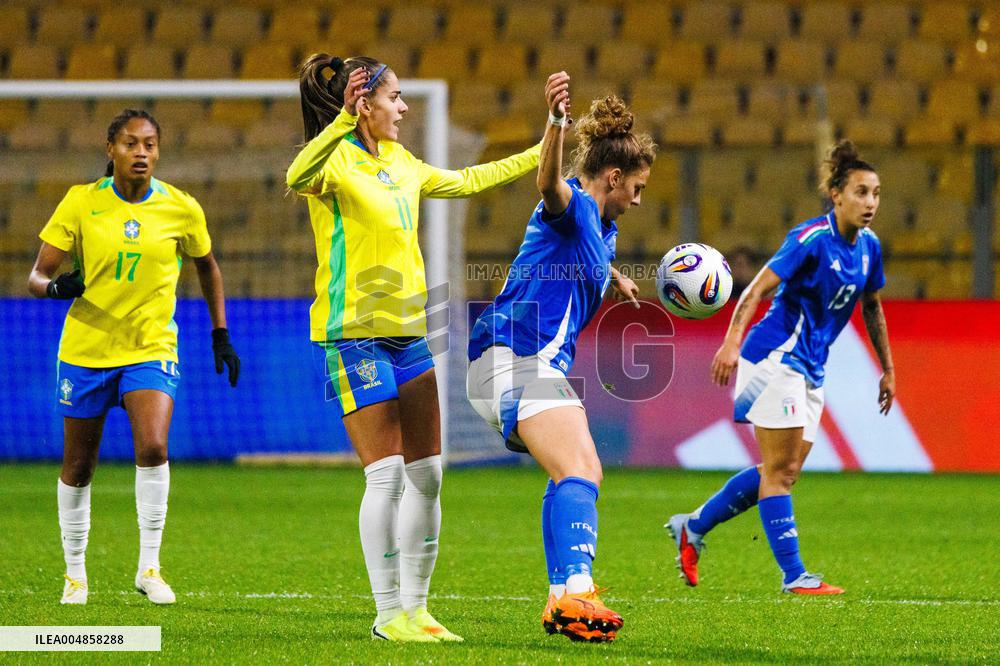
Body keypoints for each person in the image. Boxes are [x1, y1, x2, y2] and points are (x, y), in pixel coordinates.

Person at [286, 55, 543, 642]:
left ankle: (419, 611)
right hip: (352, 333)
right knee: (386, 478)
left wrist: (545, 149)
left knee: (427, 474)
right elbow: (294, 177)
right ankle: (386, 616)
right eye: (395, 97)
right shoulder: (333, 161)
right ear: (365, 103)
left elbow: (470, 181)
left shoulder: (403, 162)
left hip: (409, 334)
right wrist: (340, 125)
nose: (404, 108)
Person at [467, 72, 653, 642]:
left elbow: (582, 254)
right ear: (613, 177)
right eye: (636, 188)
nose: (639, 200)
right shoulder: (571, 203)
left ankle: (559, 597)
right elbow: (549, 184)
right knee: (582, 469)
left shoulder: (603, 230)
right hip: (514, 358)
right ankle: (578, 589)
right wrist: (554, 123)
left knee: (567, 473)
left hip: (523, 365)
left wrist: (614, 276)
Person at [28, 109, 240, 606]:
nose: (141, 152)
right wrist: (58, 287)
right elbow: (35, 278)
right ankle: (75, 575)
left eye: (149, 144)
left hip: (150, 348)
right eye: (130, 144)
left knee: (152, 447)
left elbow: (207, 266)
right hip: (86, 351)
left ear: (158, 151)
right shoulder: (81, 202)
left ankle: (149, 567)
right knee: (79, 465)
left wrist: (220, 333)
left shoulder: (181, 207)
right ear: (111, 150)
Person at [665, 140, 896, 594]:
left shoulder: (869, 248)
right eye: (861, 192)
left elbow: (873, 307)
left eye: (876, 193)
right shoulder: (808, 240)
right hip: (773, 358)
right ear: (837, 195)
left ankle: (693, 527)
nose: (870, 203)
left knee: (782, 470)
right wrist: (732, 343)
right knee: (780, 473)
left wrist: (888, 369)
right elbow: (754, 292)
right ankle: (795, 577)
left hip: (811, 366)